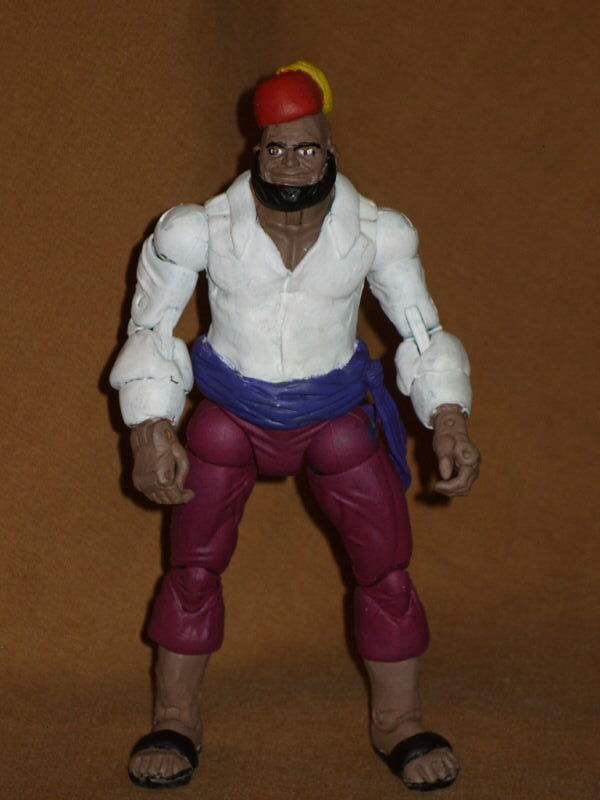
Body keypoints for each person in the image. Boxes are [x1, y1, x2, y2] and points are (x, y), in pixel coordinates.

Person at [110, 61, 480, 791]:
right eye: (275, 148)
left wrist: (448, 416)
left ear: (330, 149)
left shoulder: (377, 233)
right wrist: (150, 427)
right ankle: (175, 716)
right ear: (255, 150)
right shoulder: (197, 230)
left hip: (333, 416)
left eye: (305, 147)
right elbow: (150, 329)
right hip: (230, 415)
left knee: (386, 568)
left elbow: (422, 333)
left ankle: (399, 720)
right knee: (192, 567)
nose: (289, 163)